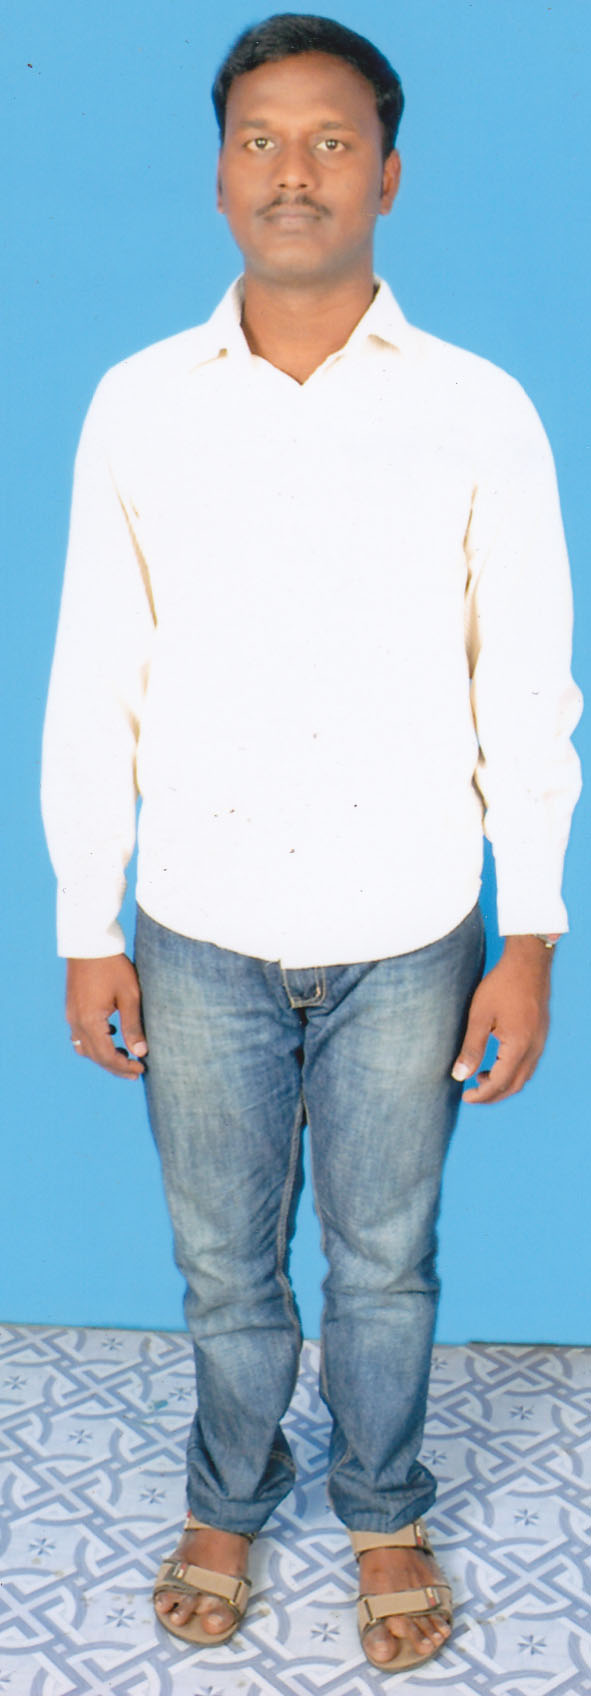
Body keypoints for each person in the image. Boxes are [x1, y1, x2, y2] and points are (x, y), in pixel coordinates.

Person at [41, 12, 582, 1675]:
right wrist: (86, 921)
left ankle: (385, 1505)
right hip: (197, 922)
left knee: (386, 1261)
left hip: (411, 926)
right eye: (261, 139)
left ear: (389, 176)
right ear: (218, 177)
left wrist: (531, 933)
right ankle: (228, 1491)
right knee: (222, 1262)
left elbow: (528, 677)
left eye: (333, 140)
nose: (296, 169)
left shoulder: (479, 409)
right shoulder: (140, 406)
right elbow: (94, 669)